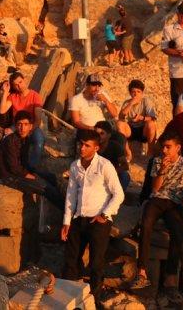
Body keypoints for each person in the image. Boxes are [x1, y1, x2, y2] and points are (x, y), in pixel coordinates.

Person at [130, 131, 183, 300]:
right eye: (163, 147)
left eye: (168, 147)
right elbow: (155, 189)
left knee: (178, 232)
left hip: (175, 203)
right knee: (146, 224)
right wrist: (162, 171)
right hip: (158, 199)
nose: (164, 150)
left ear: (178, 148)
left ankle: (171, 280)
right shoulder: (158, 161)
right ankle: (142, 272)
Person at [61, 129, 124, 301]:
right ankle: (66, 298)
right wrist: (67, 221)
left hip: (99, 220)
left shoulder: (105, 166)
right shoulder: (75, 166)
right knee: (70, 260)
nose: (82, 148)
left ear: (96, 148)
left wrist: (104, 214)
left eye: (87, 145)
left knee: (96, 263)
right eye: (81, 144)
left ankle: (94, 300)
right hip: (78, 218)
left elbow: (118, 194)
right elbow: (71, 194)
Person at [0, 111, 65, 208]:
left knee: (53, 178)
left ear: (30, 126)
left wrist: (34, 173)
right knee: (46, 188)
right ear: (15, 126)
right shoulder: (10, 141)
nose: (22, 128)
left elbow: (24, 162)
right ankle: (69, 218)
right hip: (9, 177)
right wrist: (30, 176)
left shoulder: (26, 139)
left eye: (25, 124)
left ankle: (71, 211)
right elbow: (13, 168)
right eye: (19, 124)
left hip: (20, 171)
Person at [0, 72, 46, 171]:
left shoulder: (35, 96)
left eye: (20, 82)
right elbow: (2, 110)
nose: (19, 86)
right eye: (16, 84)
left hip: (31, 126)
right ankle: (7, 168)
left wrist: (29, 130)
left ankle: (31, 169)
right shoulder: (13, 96)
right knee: (6, 137)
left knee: (39, 140)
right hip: (16, 125)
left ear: (24, 80)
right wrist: (5, 92)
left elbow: (38, 119)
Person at [117, 79, 158, 157]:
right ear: (130, 93)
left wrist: (141, 118)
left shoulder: (146, 101)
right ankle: (127, 152)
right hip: (131, 129)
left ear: (142, 93)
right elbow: (121, 116)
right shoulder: (127, 102)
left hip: (143, 130)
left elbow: (153, 118)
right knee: (119, 124)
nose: (136, 94)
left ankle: (150, 152)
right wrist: (131, 103)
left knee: (151, 124)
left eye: (138, 92)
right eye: (133, 92)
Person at [94, 121, 131, 191]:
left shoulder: (115, 146)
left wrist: (110, 172)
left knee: (125, 176)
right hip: (94, 173)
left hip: (111, 174)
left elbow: (125, 166)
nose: (99, 136)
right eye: (96, 134)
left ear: (109, 135)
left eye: (102, 133)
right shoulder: (91, 145)